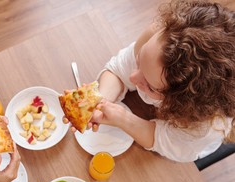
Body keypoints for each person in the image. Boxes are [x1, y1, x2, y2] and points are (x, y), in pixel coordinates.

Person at [67, 0, 235, 162]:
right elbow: (119, 70)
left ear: (181, 103)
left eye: (150, 86)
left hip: (184, 143)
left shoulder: (204, 126)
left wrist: (124, 119)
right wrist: (97, 101)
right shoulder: (161, 44)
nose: (133, 77)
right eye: (139, 60)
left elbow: (167, 142)